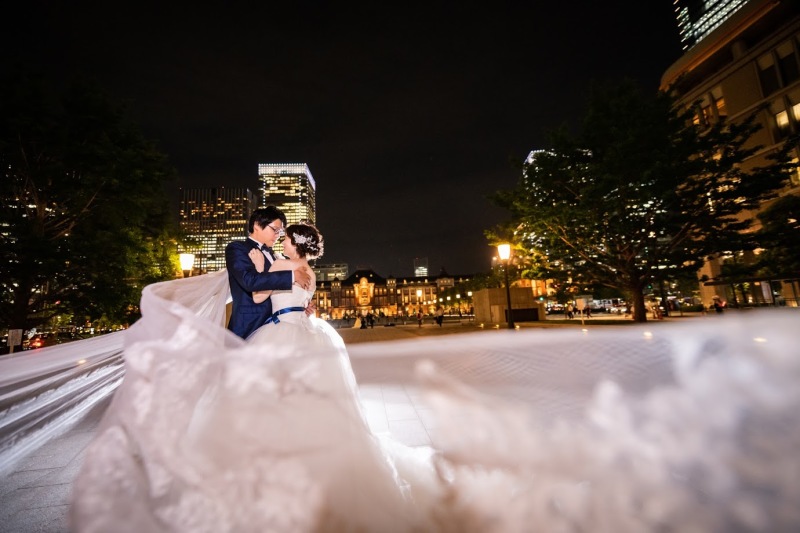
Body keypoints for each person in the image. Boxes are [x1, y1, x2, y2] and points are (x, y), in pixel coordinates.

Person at [225, 206, 312, 339]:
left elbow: (278, 291)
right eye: (275, 230)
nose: (278, 236)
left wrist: (300, 305)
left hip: (277, 328)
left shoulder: (276, 257)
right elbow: (249, 281)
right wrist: (292, 276)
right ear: (257, 225)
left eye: (280, 232)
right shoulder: (237, 249)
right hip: (249, 327)